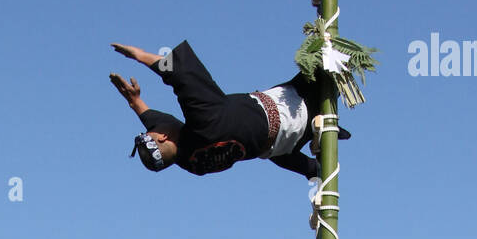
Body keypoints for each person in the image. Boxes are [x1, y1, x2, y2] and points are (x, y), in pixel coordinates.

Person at [110, 41, 344, 179]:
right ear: (162, 135)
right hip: (293, 107)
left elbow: (162, 127)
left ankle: (315, 169)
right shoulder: (204, 120)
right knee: (330, 52)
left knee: (274, 154)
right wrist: (140, 56)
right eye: (156, 129)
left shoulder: (191, 163)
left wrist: (136, 103)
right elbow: (180, 74)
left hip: (281, 147)